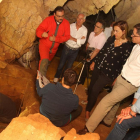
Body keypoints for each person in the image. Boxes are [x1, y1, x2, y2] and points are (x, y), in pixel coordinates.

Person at [78, 23, 140, 134]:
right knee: (115, 102)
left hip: (130, 84)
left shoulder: (128, 46)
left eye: (134, 35)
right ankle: (107, 121)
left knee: (105, 102)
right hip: (122, 77)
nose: (132, 36)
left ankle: (88, 128)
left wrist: (135, 102)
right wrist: (118, 77)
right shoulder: (136, 46)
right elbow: (126, 64)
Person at [85, 20, 133, 121]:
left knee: (95, 90)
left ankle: (88, 111)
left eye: (117, 31)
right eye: (114, 31)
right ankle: (90, 101)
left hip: (109, 74)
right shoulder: (111, 39)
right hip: (98, 66)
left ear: (124, 31)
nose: (114, 33)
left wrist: (116, 77)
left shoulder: (127, 47)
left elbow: (124, 64)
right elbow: (102, 51)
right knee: (91, 87)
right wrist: (94, 62)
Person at [36, 6, 70, 77]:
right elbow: (39, 30)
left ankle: (41, 77)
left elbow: (67, 37)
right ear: (54, 14)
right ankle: (40, 83)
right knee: (44, 61)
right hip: (44, 45)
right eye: (59, 16)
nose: (61, 18)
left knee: (47, 63)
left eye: (62, 16)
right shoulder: (48, 20)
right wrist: (42, 33)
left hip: (54, 49)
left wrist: (56, 39)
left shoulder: (66, 23)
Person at [53, 13, 87, 83]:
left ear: (84, 20)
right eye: (78, 18)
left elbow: (83, 42)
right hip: (67, 48)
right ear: (76, 18)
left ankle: (63, 80)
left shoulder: (85, 30)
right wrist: (78, 40)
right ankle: (56, 76)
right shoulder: (70, 26)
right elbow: (66, 37)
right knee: (61, 64)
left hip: (75, 51)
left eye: (81, 19)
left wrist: (73, 38)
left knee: (68, 67)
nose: (79, 20)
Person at [79, 20, 106, 85]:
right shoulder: (91, 33)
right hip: (89, 53)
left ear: (102, 29)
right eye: (95, 26)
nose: (95, 27)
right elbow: (88, 44)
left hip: (95, 56)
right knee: (84, 69)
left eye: (97, 27)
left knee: (91, 72)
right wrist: (86, 54)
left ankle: (89, 87)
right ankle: (80, 82)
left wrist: (89, 58)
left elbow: (97, 50)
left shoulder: (103, 37)